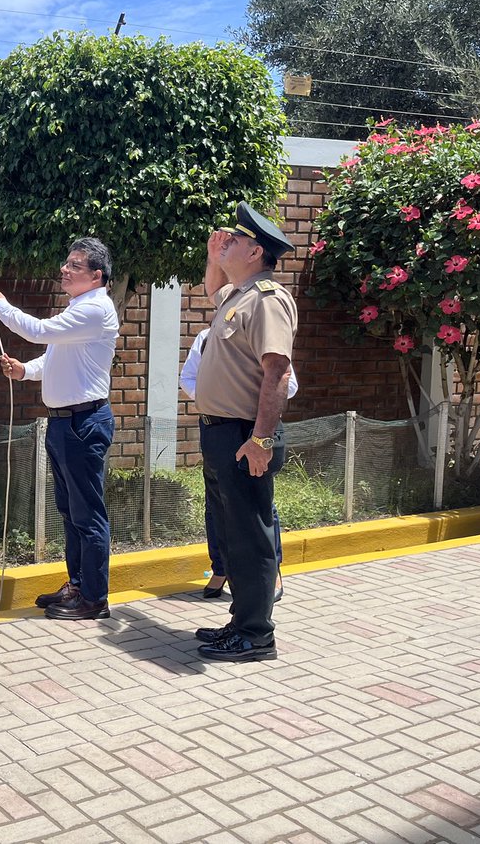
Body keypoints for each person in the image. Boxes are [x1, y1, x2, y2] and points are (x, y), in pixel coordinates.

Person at [0, 237, 119, 621]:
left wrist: (2, 306)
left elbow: (39, 331)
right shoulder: (80, 308)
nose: (65, 269)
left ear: (96, 276)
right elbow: (54, 356)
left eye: (75, 265)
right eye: (67, 262)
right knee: (71, 511)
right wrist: (25, 371)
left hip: (83, 422)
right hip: (65, 424)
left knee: (87, 513)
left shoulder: (95, 309)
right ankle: (78, 585)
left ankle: (94, 598)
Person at [193, 202, 298, 662]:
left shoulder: (268, 300)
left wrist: (262, 440)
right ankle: (240, 622)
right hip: (221, 432)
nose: (225, 242)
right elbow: (209, 287)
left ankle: (256, 635)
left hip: (243, 435)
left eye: (233, 240)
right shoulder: (238, 296)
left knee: (251, 533)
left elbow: (276, 371)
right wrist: (214, 254)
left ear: (255, 251)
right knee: (233, 531)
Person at [180, 328, 297, 601]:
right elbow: (188, 378)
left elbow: (288, 385)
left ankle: (271, 571)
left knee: (260, 504)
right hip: (216, 427)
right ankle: (221, 569)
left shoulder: (265, 339)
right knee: (217, 502)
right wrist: (216, 399)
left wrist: (242, 399)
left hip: (254, 427)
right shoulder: (207, 337)